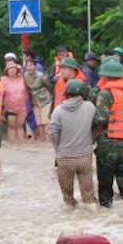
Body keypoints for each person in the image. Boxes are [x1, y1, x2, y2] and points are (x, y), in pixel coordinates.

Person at [92, 57, 123, 207]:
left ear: (105, 76)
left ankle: (108, 223)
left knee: (106, 191)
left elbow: (100, 118)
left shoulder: (106, 92)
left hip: (108, 143)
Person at [49, 78, 98, 207]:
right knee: (89, 197)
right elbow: (96, 125)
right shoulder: (90, 107)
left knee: (68, 199)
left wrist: (58, 148)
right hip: (84, 157)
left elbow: (53, 133)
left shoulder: (58, 110)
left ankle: (71, 222)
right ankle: (95, 220)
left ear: (66, 93)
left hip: (64, 158)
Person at [24, 58, 54, 142]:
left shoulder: (41, 76)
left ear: (35, 66)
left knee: (45, 122)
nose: (29, 68)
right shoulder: (25, 76)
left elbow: (50, 87)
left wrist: (50, 96)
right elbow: (27, 89)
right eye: (27, 66)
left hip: (45, 100)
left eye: (31, 65)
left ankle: (48, 141)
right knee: (39, 123)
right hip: (35, 101)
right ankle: (42, 141)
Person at [1, 60, 29, 143]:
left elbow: (28, 91)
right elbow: (0, 94)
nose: (12, 70)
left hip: (22, 107)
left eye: (14, 69)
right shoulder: (3, 80)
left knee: (20, 127)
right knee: (11, 127)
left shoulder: (23, 79)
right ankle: (12, 146)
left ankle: (21, 146)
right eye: (10, 69)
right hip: (9, 108)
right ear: (6, 71)